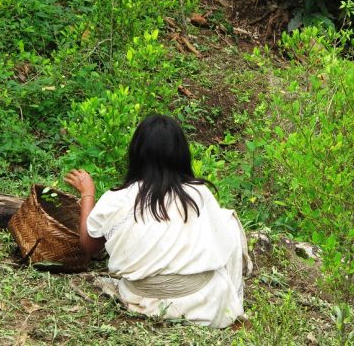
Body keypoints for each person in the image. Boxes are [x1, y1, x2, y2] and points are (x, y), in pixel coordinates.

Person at [64, 114, 251, 328]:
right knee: (227, 222)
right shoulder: (199, 193)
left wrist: (88, 193)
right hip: (203, 304)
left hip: (142, 301)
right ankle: (232, 307)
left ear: (136, 154)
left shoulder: (118, 198)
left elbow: (89, 245)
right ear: (181, 155)